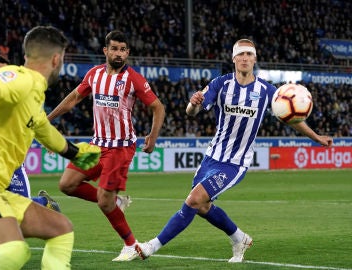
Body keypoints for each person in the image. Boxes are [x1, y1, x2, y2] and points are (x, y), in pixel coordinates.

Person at [135, 39, 333, 262]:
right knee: (202, 207)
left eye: (249, 54)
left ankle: (152, 246)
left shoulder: (267, 91)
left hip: (235, 163)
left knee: (193, 200)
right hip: (212, 157)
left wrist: (316, 136)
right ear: (234, 58)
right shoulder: (221, 84)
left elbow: (290, 118)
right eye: (241, 54)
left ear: (255, 58)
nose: (245, 58)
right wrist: (193, 103)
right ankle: (240, 238)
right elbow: (192, 112)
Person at [47, 30, 165, 261]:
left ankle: (131, 245)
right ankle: (117, 202)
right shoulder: (94, 74)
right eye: (114, 48)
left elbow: (158, 107)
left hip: (121, 147)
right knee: (67, 184)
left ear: (128, 53)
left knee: (103, 200)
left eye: (123, 50)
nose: (118, 53)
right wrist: (47, 120)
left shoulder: (134, 79)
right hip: (96, 145)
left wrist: (152, 136)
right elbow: (72, 98)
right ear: (105, 50)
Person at [0, 26, 101, 269]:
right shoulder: (18, 80)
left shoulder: (33, 94)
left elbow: (44, 130)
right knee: (13, 251)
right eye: (62, 59)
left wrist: (78, 154)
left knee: (60, 229)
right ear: (56, 59)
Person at [0, 54, 61, 212]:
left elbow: (33, 122)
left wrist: (48, 141)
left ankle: (44, 203)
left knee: (22, 209)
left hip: (13, 163)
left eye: (3, 72)